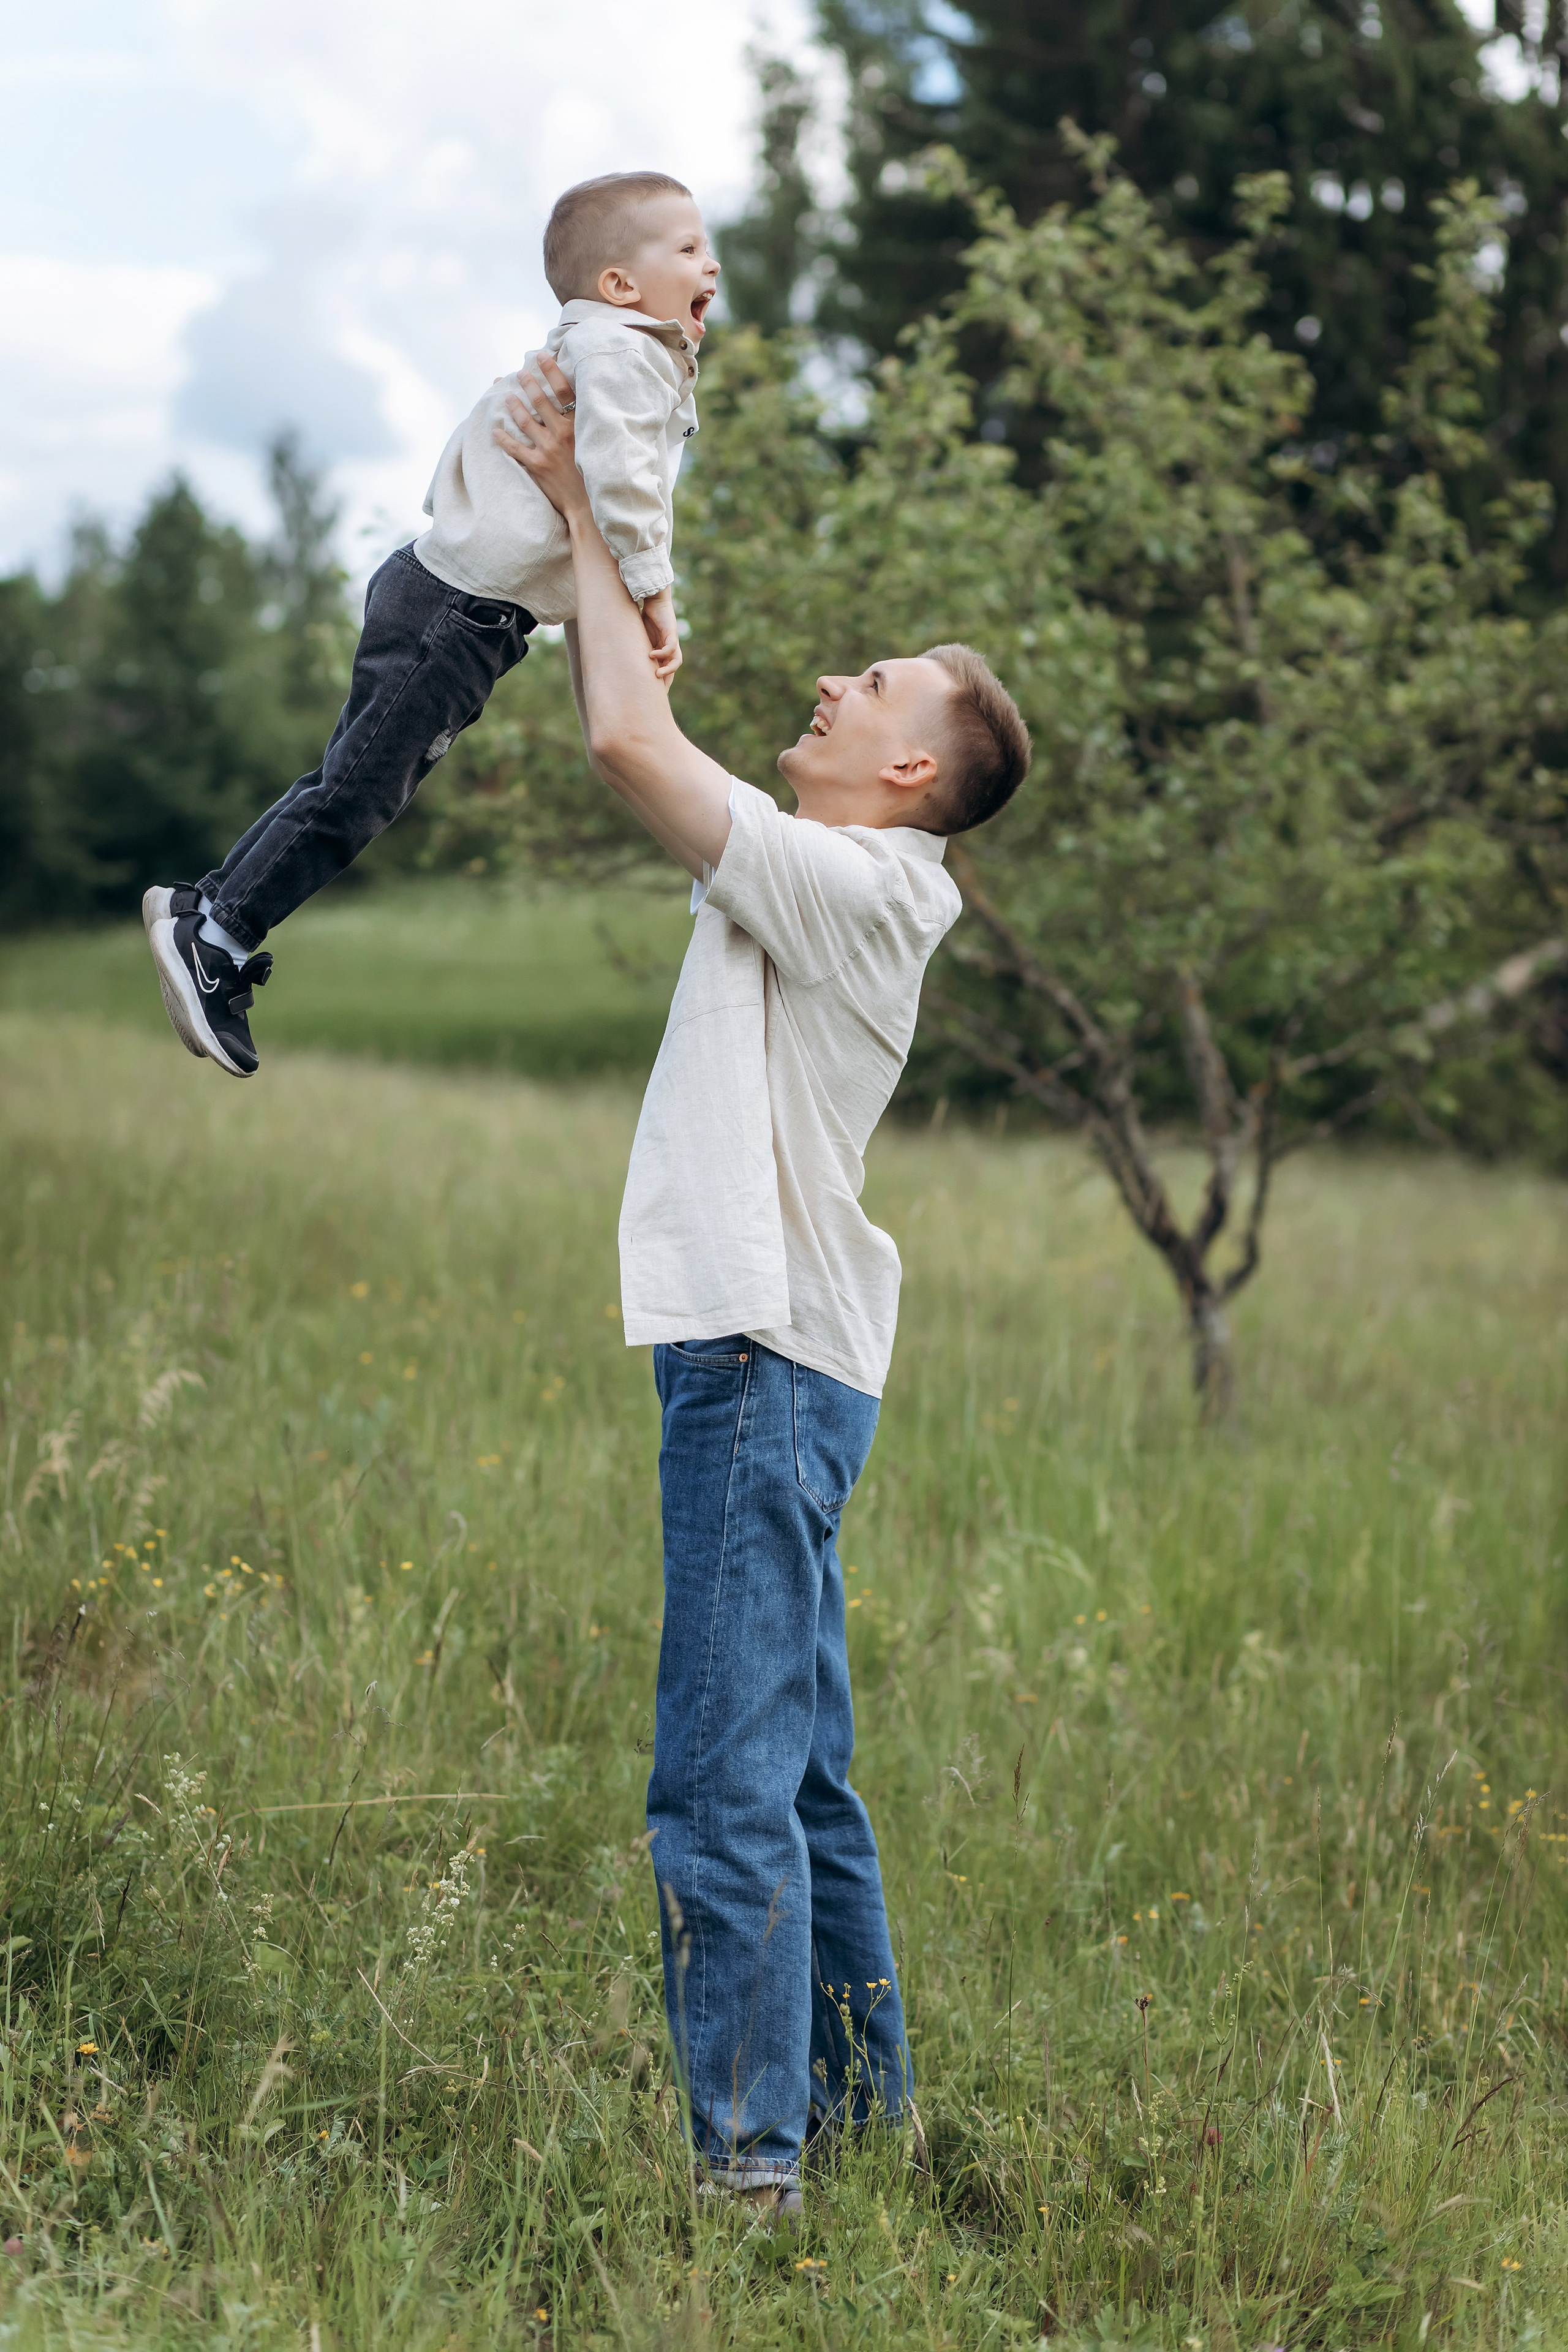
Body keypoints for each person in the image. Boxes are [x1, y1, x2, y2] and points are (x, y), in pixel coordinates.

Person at [497, 354, 1031, 2218]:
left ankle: (751, 2180)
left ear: (909, 769)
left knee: (721, 1784)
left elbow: (631, 751)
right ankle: (861, 2130)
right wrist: (617, 579)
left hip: (762, 1356)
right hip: (777, 1353)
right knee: (798, 1779)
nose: (830, 680)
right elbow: (654, 720)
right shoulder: (834, 871)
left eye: (868, 685)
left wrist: (575, 509)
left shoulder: (872, 886)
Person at [141, 171, 718, 1078]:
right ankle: (218, 932)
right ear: (618, 285)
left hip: (445, 598)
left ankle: (204, 913)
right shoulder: (624, 353)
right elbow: (620, 482)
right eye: (687, 248)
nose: (711, 263)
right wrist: (655, 592)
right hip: (460, 614)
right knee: (359, 793)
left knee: (348, 780)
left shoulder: (589, 346)